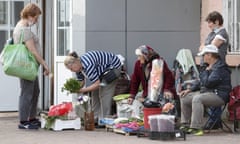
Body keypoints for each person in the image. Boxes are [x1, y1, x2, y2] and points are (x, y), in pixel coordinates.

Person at [179, 45, 232, 136]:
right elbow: (201, 81)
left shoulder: (220, 68)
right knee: (185, 97)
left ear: (209, 55)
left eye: (204, 55)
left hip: (219, 95)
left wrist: (206, 72)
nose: (202, 58)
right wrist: (189, 90)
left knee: (197, 99)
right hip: (207, 92)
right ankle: (185, 124)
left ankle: (196, 128)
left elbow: (208, 83)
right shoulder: (207, 66)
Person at [13, 3, 50, 129]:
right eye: (36, 17)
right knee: (27, 93)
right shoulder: (23, 29)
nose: (37, 20)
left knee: (35, 91)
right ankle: (24, 121)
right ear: (29, 15)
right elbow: (33, 51)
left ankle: (31, 117)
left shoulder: (21, 27)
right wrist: (45, 65)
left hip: (29, 67)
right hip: (26, 67)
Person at [64, 50, 122, 125]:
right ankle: (95, 118)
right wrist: (74, 89)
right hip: (102, 71)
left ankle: (104, 120)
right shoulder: (78, 67)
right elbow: (81, 82)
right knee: (94, 94)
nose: (71, 71)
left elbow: (97, 84)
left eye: (71, 68)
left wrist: (82, 90)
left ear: (75, 62)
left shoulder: (88, 65)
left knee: (104, 94)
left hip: (113, 68)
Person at [199, 11, 230, 129]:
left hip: (216, 66)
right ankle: (214, 121)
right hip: (208, 66)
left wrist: (205, 47)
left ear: (217, 21)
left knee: (215, 89)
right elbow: (203, 46)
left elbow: (210, 48)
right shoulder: (212, 33)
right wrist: (204, 47)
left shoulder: (221, 34)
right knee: (209, 89)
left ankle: (214, 121)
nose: (209, 25)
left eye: (210, 23)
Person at [127, 45, 176, 113]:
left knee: (164, 105)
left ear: (146, 55)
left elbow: (169, 77)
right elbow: (135, 80)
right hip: (147, 92)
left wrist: (167, 89)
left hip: (160, 92)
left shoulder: (158, 63)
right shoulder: (138, 64)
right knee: (136, 102)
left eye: (139, 56)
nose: (138, 58)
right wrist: (132, 95)